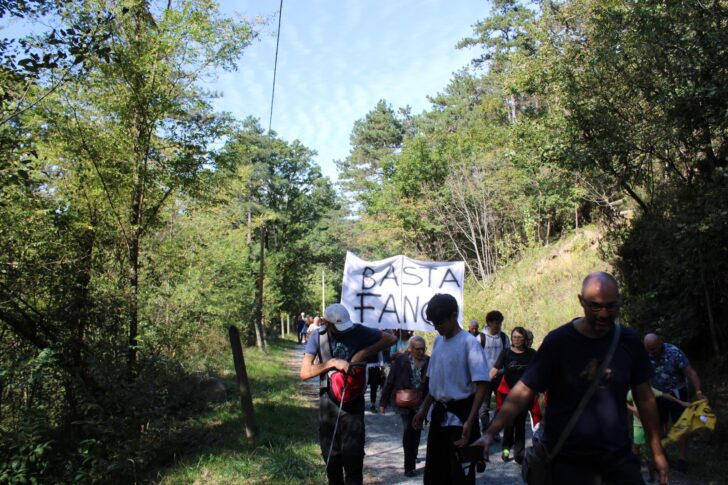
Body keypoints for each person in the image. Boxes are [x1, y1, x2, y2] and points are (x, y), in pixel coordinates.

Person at [475, 272, 669, 485]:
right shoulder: (559, 342)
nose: (604, 313)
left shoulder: (629, 341)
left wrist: (657, 451)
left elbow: (645, 398)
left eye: (611, 306)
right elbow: (524, 390)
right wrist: (491, 432)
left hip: (617, 460)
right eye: (595, 306)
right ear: (581, 302)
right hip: (567, 462)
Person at [299, 304, 396, 485]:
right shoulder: (317, 337)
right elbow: (304, 373)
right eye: (336, 326)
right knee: (331, 458)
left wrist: (361, 354)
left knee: (353, 458)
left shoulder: (358, 331)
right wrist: (331, 363)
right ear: (326, 323)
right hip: (328, 401)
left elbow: (390, 338)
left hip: (354, 402)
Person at [412, 293, 489, 485]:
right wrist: (422, 410)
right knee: (435, 474)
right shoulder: (438, 342)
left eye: (440, 322)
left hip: (461, 418)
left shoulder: (469, 344)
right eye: (434, 323)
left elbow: (482, 385)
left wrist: (471, 421)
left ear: (453, 316)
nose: (437, 327)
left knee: (460, 476)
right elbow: (435, 383)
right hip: (439, 417)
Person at [643, 333, 706, 473]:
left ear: (661, 343)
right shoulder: (644, 355)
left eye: (653, 348)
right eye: (648, 348)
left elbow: (691, 373)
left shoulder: (674, 352)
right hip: (656, 394)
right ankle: (663, 455)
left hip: (677, 393)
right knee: (658, 426)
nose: (651, 351)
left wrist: (699, 392)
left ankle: (682, 459)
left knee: (680, 426)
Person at [379, 335, 430, 477]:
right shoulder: (401, 361)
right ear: (410, 348)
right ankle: (409, 466)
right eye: (417, 349)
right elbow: (390, 381)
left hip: (422, 402)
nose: (420, 352)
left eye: (423, 349)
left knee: (417, 430)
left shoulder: (429, 362)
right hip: (405, 402)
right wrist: (383, 402)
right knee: (408, 432)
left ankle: (413, 454)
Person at [489, 326, 536, 464]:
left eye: (520, 337)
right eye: (514, 337)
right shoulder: (506, 353)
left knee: (520, 423)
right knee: (509, 422)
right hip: (507, 394)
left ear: (525, 339)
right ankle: (505, 448)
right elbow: (494, 369)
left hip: (524, 394)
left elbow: (539, 369)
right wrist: (484, 382)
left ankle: (519, 453)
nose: (517, 340)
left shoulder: (531, 354)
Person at [479, 311, 509, 434]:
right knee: (483, 408)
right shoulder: (480, 338)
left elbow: (508, 355)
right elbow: (474, 358)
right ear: (489, 323)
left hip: (500, 376)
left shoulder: (503, 337)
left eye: (500, 323)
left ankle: (493, 431)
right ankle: (486, 430)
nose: (498, 326)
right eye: (496, 323)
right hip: (484, 377)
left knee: (501, 406)